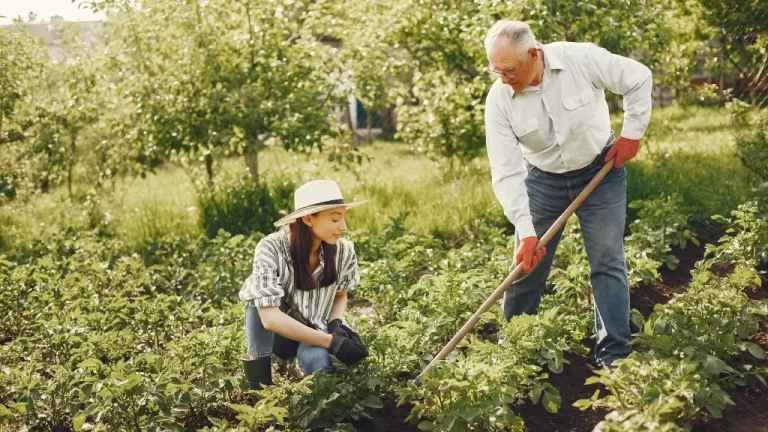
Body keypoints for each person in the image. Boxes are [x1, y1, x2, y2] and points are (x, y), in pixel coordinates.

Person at [483, 20, 653, 370]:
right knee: (527, 264)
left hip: (600, 171)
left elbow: (638, 77)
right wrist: (526, 231)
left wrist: (632, 134)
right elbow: (507, 170)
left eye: (510, 70)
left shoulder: (580, 59)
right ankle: (515, 347)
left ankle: (614, 354)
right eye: (496, 70)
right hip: (541, 181)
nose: (503, 79)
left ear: (534, 54)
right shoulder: (499, 99)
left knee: (607, 260)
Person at [239, 179, 368, 393]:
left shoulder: (344, 251)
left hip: (317, 330)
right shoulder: (271, 248)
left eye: (344, 218)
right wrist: (331, 342)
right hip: (279, 336)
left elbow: (340, 295)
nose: (343, 227)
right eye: (335, 219)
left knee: (319, 365)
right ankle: (259, 391)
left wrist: (335, 324)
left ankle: (308, 381)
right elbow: (269, 319)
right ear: (308, 219)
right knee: (256, 303)